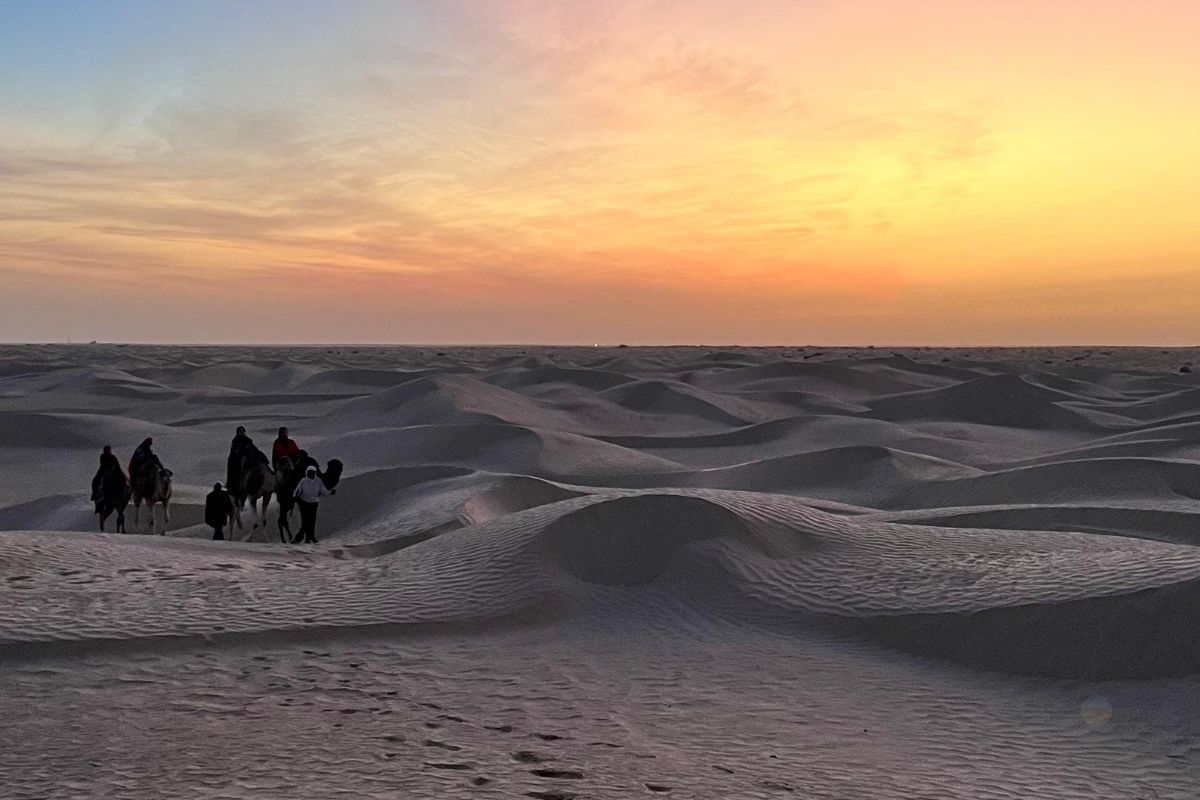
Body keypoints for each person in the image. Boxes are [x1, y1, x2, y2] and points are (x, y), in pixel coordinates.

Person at [292, 465, 325, 544]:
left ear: (314, 473)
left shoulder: (318, 481)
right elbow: (297, 490)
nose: (310, 474)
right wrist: (296, 497)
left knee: (312, 520)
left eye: (311, 472)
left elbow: (322, 490)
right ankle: (302, 538)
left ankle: (309, 538)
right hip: (304, 503)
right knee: (306, 521)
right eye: (309, 472)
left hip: (314, 503)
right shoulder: (303, 480)